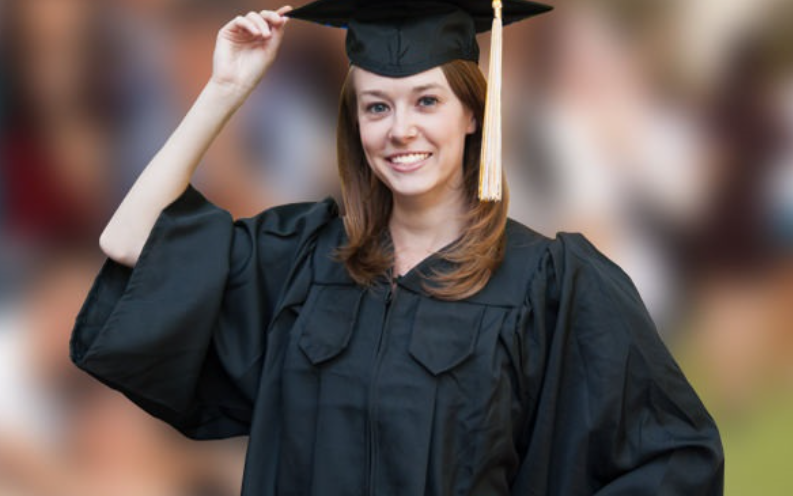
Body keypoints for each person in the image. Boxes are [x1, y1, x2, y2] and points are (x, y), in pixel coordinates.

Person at [70, 1, 724, 495]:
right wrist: (224, 91)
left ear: (472, 113)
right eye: (376, 107)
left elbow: (672, 458)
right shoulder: (298, 259)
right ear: (354, 124)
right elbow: (127, 241)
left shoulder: (548, 286)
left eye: (427, 101)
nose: (401, 130)